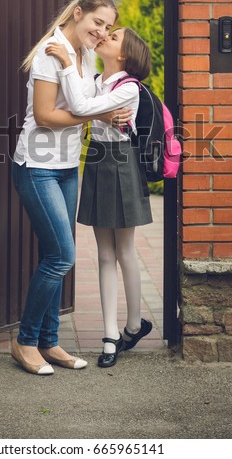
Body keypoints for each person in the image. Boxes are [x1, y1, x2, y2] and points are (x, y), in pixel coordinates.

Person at [11, 0, 132, 375]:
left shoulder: (82, 55)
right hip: (37, 165)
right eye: (97, 22)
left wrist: (103, 114)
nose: (101, 32)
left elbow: (85, 103)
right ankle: (25, 340)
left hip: (66, 166)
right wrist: (98, 115)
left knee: (56, 256)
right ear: (78, 13)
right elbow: (46, 116)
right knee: (61, 256)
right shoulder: (54, 50)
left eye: (108, 28)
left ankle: (49, 342)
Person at [45, 26, 153, 368]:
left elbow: (79, 105)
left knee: (124, 250)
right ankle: (110, 337)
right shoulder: (97, 80)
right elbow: (83, 104)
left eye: (114, 36)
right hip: (97, 159)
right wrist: (70, 60)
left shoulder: (129, 89)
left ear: (124, 54)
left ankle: (134, 325)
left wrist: (64, 61)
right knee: (104, 253)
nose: (106, 35)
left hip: (122, 163)